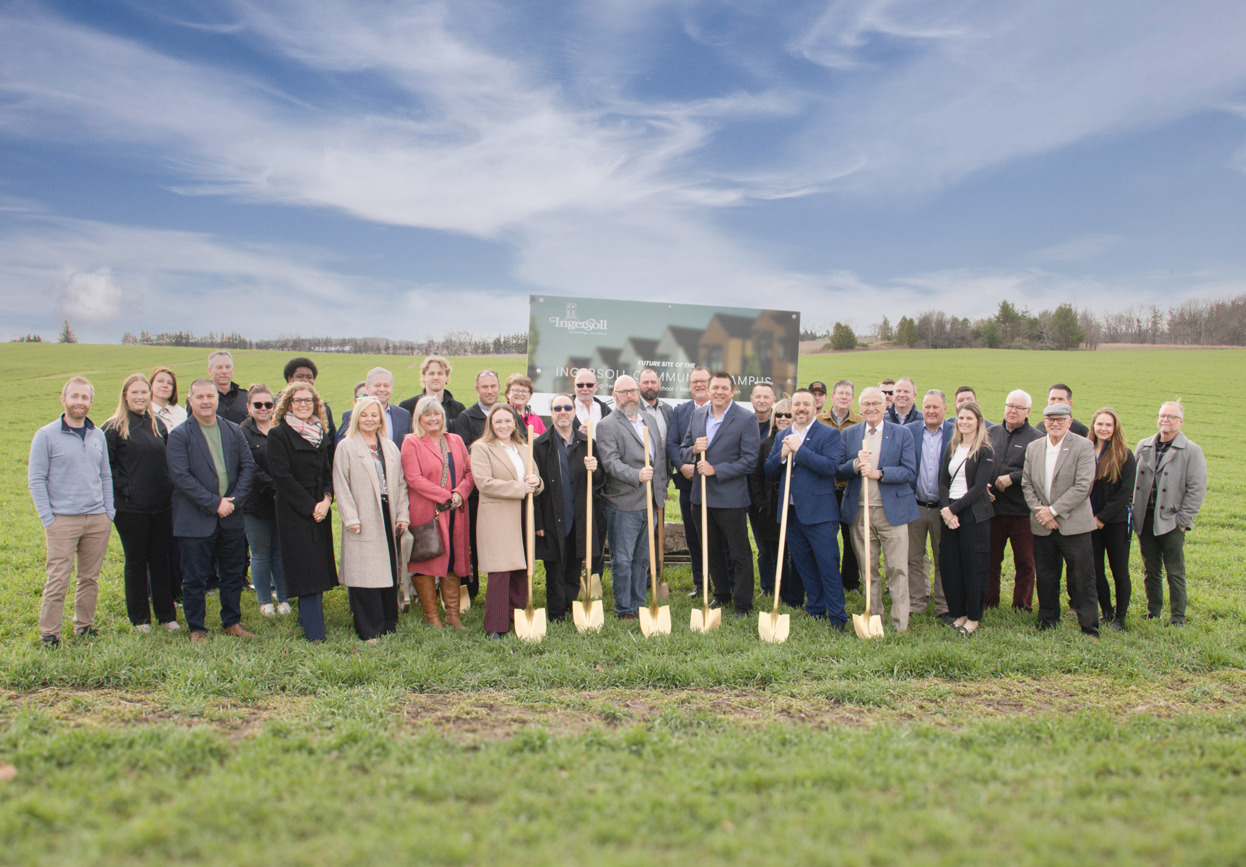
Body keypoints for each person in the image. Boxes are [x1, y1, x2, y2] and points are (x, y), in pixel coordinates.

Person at [166, 378, 256, 643]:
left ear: (217, 399)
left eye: (210, 396)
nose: (206, 401)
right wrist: (214, 503)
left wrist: (233, 501)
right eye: (200, 397)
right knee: (195, 577)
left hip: (231, 516)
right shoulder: (180, 435)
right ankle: (197, 628)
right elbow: (181, 477)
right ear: (190, 399)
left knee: (232, 572)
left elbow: (248, 468)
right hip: (195, 519)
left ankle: (232, 621)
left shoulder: (232, 430)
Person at [28, 376, 115, 646]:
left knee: (89, 577)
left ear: (91, 402)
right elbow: (36, 479)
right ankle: (49, 633)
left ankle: (84, 625)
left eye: (85, 397)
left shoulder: (97, 434)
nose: (80, 402)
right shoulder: (46, 435)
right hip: (62, 520)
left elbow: (105, 476)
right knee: (58, 578)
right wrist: (48, 519)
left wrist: (108, 511)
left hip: (97, 518)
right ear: (63, 399)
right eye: (75, 396)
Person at [837, 386, 919, 632]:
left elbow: (909, 471)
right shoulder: (850, 434)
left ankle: (899, 622)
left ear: (885, 406)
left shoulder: (902, 434)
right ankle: (874, 619)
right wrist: (854, 464)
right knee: (868, 569)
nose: (871, 408)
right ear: (859, 408)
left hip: (891, 512)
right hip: (859, 511)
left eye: (876, 403)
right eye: (866, 404)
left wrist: (879, 473)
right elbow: (838, 470)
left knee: (897, 568)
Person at [765, 390, 847, 628]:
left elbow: (831, 467)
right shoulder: (783, 436)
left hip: (819, 513)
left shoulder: (828, 434)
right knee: (804, 565)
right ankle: (815, 609)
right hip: (791, 513)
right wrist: (781, 454)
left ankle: (837, 615)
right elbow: (769, 472)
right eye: (797, 404)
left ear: (815, 408)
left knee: (827, 565)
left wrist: (800, 450)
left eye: (806, 404)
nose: (801, 408)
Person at [102, 373, 177, 633]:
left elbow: (167, 462)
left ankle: (167, 616)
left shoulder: (158, 426)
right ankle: (140, 619)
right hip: (130, 508)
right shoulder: (113, 428)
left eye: (144, 392)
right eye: (134, 392)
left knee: (160, 560)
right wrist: (126, 490)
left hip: (161, 504)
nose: (140, 397)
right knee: (136, 562)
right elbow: (107, 467)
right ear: (125, 395)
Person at [680, 371, 759, 617]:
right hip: (701, 497)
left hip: (730, 498)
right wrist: (694, 448)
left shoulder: (746, 419)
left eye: (725, 388)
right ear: (709, 389)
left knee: (738, 553)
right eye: (715, 387)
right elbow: (683, 450)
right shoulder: (698, 414)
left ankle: (743, 604)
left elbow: (750, 461)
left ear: (733, 391)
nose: (719, 392)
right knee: (710, 550)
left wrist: (716, 469)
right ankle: (722, 595)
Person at [334, 395, 410, 642]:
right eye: (364, 415)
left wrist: (402, 514)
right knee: (365, 572)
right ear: (356, 417)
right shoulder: (347, 446)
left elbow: (400, 482)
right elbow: (341, 484)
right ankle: (369, 628)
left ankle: (389, 622)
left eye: (374, 415)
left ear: (380, 419)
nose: (369, 419)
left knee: (388, 569)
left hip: (388, 513)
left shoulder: (389, 446)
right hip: (363, 515)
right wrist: (350, 517)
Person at [267, 383, 338, 642]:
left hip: (320, 506)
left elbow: (327, 470)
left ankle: (305, 619)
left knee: (318, 566)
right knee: (305, 569)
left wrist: (327, 499)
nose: (303, 405)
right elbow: (282, 478)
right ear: (288, 404)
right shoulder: (279, 435)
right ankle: (314, 632)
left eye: (308, 401)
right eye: (298, 401)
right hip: (294, 510)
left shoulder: (320, 433)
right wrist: (311, 507)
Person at [1022, 403, 1099, 637]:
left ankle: (1088, 626)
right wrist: (1042, 514)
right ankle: (1048, 620)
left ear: (1070, 421)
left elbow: (1083, 486)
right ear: (1043, 421)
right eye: (1050, 419)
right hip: (1043, 525)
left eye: (1060, 419)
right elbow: (1026, 483)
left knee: (1082, 577)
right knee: (1046, 575)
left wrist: (1053, 511)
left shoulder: (1084, 446)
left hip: (1074, 525)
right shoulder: (1034, 447)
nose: (1054, 423)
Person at [401, 395, 475, 630]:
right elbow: (413, 478)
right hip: (428, 512)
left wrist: (460, 493)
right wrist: (446, 496)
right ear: (419, 419)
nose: (433, 419)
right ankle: (432, 616)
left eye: (437, 414)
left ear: (443, 417)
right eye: (427, 415)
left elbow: (470, 473)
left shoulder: (455, 440)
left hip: (456, 511)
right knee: (428, 560)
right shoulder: (411, 442)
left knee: (453, 560)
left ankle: (453, 615)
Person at [1130, 401, 1206, 626]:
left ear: (1181, 422)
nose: (1166, 420)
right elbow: (1131, 481)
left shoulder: (1191, 450)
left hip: (1171, 520)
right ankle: (1153, 611)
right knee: (1150, 568)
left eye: (1171, 417)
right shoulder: (1144, 445)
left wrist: (1183, 520)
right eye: (1162, 415)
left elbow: (1197, 488)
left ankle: (1178, 618)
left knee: (1175, 571)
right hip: (1145, 517)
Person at [471, 404, 543, 638]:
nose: (504, 425)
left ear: (515, 422)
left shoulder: (523, 447)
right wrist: (521, 487)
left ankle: (516, 618)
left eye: (508, 421)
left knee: (521, 567)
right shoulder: (482, 448)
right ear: (491, 424)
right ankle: (495, 625)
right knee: (501, 570)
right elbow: (484, 483)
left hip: (523, 513)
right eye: (498, 421)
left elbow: (536, 478)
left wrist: (536, 484)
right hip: (498, 516)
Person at [533, 394, 604, 622]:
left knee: (574, 564)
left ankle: (571, 607)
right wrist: (538, 522)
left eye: (567, 407)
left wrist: (596, 469)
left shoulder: (587, 443)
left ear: (574, 411)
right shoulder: (540, 445)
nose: (562, 412)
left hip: (579, 515)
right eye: (557, 408)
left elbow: (600, 482)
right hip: (552, 516)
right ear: (551, 412)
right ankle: (556, 613)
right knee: (555, 568)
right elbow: (535, 489)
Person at [597, 376, 664, 620]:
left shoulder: (649, 420)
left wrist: (661, 492)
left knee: (643, 558)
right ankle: (624, 608)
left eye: (633, 391)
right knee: (623, 559)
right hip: (623, 503)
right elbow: (610, 463)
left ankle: (640, 603)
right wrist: (637, 474)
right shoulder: (607, 425)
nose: (629, 396)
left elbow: (660, 458)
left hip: (650, 501)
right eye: (623, 392)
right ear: (614, 395)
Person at [938, 402, 995, 637]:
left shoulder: (985, 451)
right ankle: (958, 613)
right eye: (961, 418)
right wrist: (945, 508)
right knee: (951, 565)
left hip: (973, 514)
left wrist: (953, 510)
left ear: (978, 421)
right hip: (950, 512)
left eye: (969, 418)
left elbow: (980, 487)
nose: (964, 422)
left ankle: (973, 617)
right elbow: (942, 482)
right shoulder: (952, 447)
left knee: (974, 567)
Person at [986, 389, 1043, 610]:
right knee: (991, 560)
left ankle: (1022, 605)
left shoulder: (1037, 439)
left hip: (1022, 512)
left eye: (1018, 407)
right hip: (993, 509)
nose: (1012, 410)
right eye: (1009, 405)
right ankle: (989, 601)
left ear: (1027, 411)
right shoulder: (991, 433)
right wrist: (983, 488)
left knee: (1025, 562)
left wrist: (1013, 477)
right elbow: (981, 465)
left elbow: (1038, 470)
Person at [451, 369, 502, 604]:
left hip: (503, 493)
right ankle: (470, 591)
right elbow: (464, 455)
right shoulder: (466, 418)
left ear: (499, 387)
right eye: (484, 387)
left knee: (498, 543)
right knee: (471, 543)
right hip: (476, 494)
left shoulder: (507, 414)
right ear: (477, 389)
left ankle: (499, 589)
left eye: (493, 386)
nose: (489, 391)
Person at [905, 389, 954, 623]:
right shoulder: (910, 432)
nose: (931, 411)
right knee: (913, 556)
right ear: (921, 408)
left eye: (936, 407)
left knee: (943, 557)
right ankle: (916, 603)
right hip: (915, 505)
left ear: (945, 409)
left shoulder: (955, 433)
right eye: (927, 407)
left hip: (943, 508)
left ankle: (943, 605)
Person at [240, 384, 289, 617]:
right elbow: (248, 466)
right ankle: (264, 600)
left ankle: (283, 597)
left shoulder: (282, 428)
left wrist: (285, 490)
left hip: (281, 502)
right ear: (248, 407)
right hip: (256, 503)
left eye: (268, 404)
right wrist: (274, 487)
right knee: (260, 552)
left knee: (280, 552)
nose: (263, 408)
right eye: (257, 404)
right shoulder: (242, 432)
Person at [750, 398, 804, 609]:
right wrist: (760, 502)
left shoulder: (801, 441)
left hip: (791, 504)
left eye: (787, 415)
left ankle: (790, 592)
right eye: (779, 415)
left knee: (790, 552)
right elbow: (755, 475)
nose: (783, 418)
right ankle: (768, 588)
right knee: (767, 551)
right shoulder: (765, 444)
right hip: (768, 505)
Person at [1087, 407, 1136, 630]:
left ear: (1115, 428)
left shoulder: (1124, 454)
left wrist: (1102, 517)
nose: (1104, 428)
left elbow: (1125, 492)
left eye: (1108, 424)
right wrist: (1092, 518)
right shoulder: (1085, 451)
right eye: (1100, 424)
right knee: (1095, 570)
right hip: (1089, 521)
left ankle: (1120, 617)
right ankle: (1106, 611)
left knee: (1119, 570)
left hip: (1115, 522)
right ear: (1093, 426)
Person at [668, 366, 712, 597]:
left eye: (703, 380)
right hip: (689, 482)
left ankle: (722, 582)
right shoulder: (681, 411)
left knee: (717, 535)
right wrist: (682, 466)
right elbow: (672, 443)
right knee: (694, 535)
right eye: (694, 381)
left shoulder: (720, 411)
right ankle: (700, 583)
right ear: (689, 385)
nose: (699, 385)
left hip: (717, 484)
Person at [818, 379, 862, 593]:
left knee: (851, 536)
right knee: (826, 537)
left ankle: (851, 581)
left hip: (850, 488)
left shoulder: (861, 423)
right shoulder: (818, 421)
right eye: (840, 393)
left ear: (853, 399)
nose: (843, 397)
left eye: (848, 394)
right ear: (832, 397)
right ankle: (827, 576)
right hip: (824, 489)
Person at [338, 367, 411, 446]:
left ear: (392, 388)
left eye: (386, 386)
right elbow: (343, 447)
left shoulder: (404, 415)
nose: (382, 389)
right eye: (377, 385)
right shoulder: (351, 415)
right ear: (367, 388)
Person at [284, 357, 337, 442]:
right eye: (299, 376)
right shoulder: (277, 406)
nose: (305, 380)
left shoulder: (323, 408)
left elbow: (331, 438)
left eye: (309, 377)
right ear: (290, 379)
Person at [399, 355, 466, 422]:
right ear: (424, 377)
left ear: (447, 377)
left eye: (440, 373)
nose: (436, 377)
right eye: (431, 373)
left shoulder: (459, 409)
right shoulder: (407, 407)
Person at [194, 350, 249, 424]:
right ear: (209, 371)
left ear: (232, 370)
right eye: (219, 367)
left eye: (228, 367)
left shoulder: (245, 397)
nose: (224, 371)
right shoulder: (198, 399)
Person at [504, 373, 545, 440]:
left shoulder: (536, 419)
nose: (520, 394)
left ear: (530, 395)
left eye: (524, 391)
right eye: (516, 390)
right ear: (508, 393)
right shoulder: (501, 414)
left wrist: (539, 440)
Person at [150, 366, 187, 431]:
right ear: (151, 385)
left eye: (170, 383)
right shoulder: (144, 412)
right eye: (160, 381)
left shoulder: (181, 413)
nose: (165, 385)